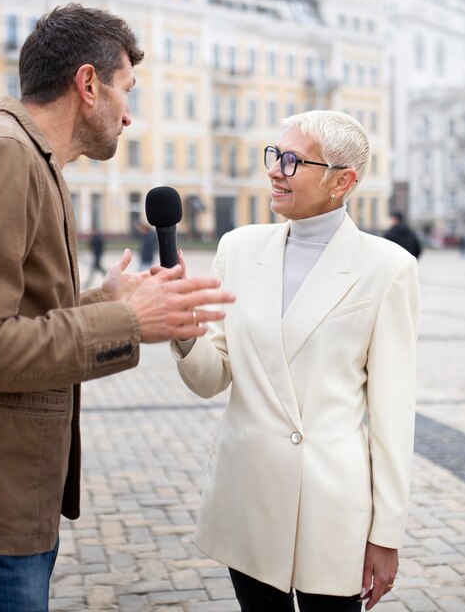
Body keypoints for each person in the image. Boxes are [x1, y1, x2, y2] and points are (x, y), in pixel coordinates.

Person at [0, 3, 234, 612]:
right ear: (88, 84)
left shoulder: (23, 155)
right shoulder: (3, 157)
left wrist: (103, 301)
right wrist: (128, 322)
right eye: (126, 90)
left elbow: (10, 315)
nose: (131, 114)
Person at [170, 111, 420, 611]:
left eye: (292, 160)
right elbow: (212, 377)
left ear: (342, 181)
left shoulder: (388, 268)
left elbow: (393, 417)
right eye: (274, 154)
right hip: (250, 496)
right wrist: (183, 327)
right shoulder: (238, 249)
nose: (274, 170)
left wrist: (386, 533)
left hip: (332, 507)